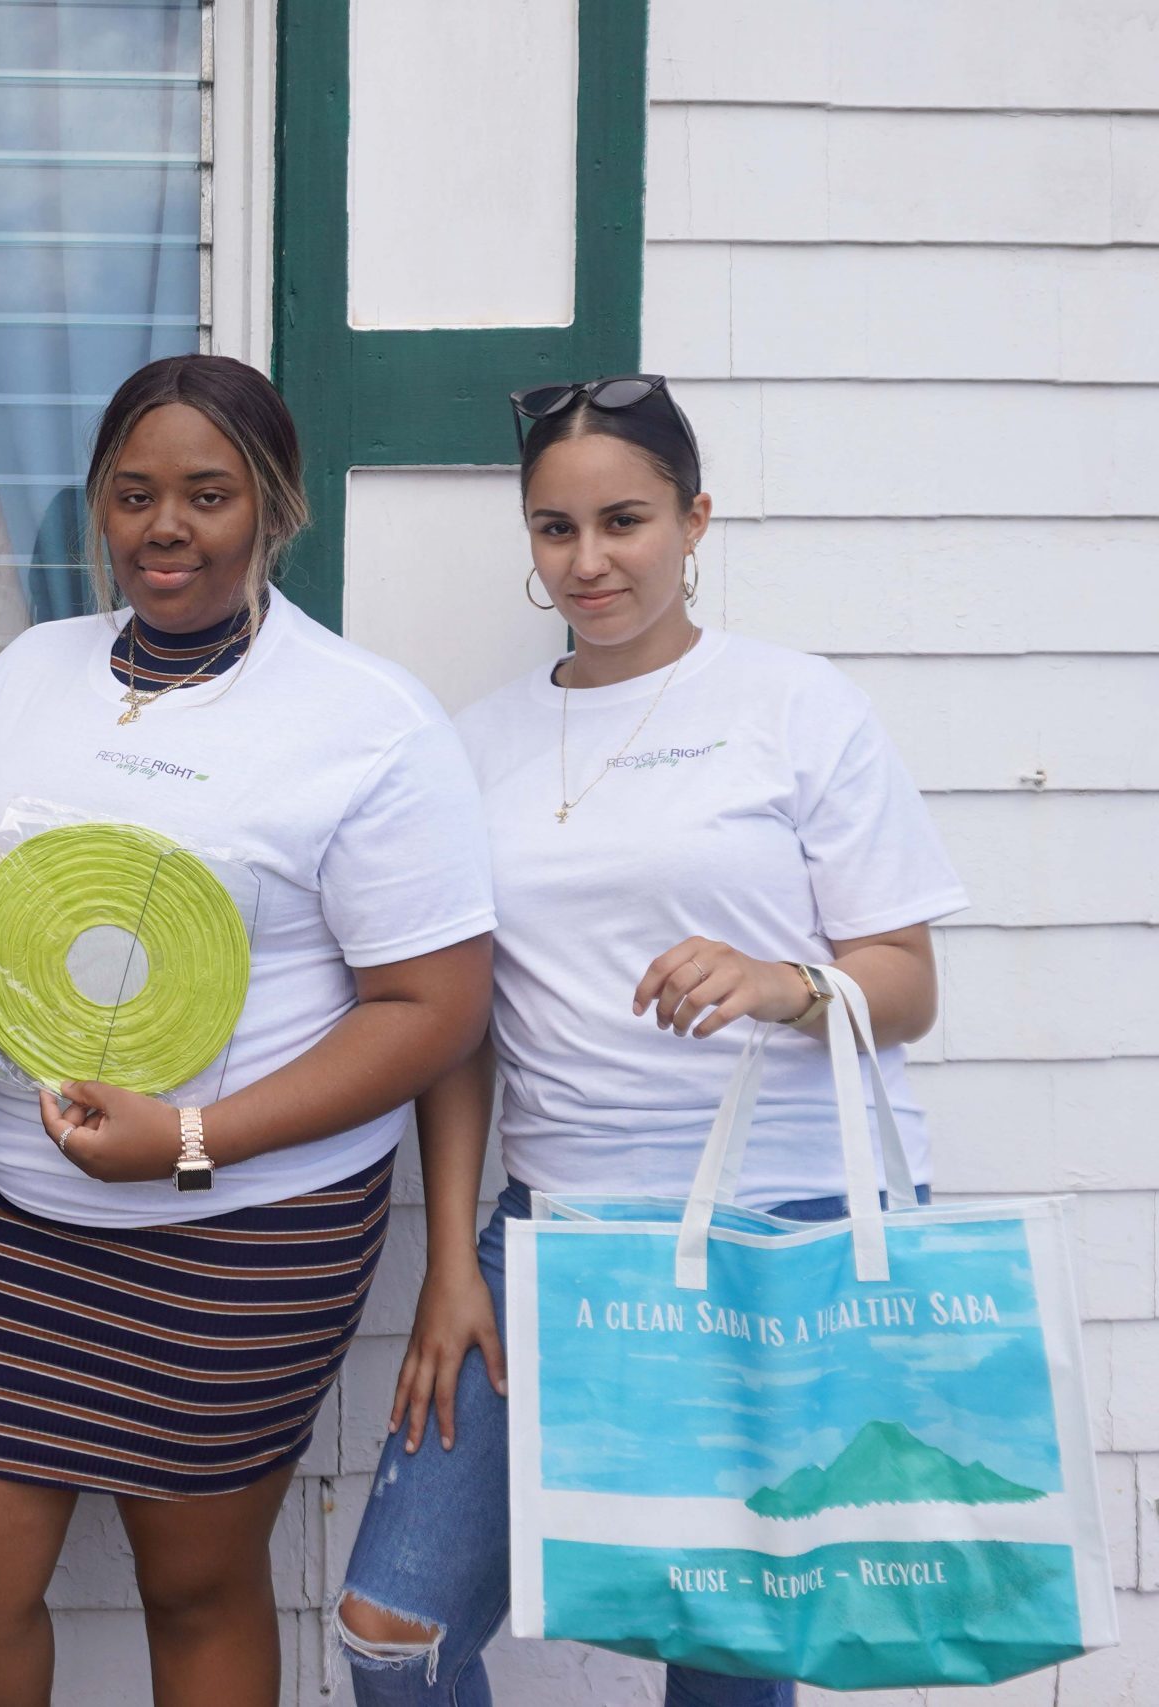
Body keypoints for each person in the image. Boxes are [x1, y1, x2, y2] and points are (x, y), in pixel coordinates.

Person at [334, 375, 966, 1706]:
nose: (590, 560)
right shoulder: (478, 746)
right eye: (555, 529)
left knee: (727, 1644)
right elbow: (459, 1036)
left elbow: (905, 984)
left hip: (781, 1229)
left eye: (624, 521)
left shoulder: (796, 707)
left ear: (695, 521)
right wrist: (455, 1262)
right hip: (559, 1234)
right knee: (392, 1627)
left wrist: (783, 982)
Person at [0, 354, 498, 1707]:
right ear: (97, 508)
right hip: (19, 1207)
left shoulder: (363, 721)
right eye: (135, 493)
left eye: (208, 494)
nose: (167, 525)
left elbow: (439, 1007)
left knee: (196, 1581)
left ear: (273, 506)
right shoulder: (26, 679)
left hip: (247, 1232)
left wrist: (193, 1136)